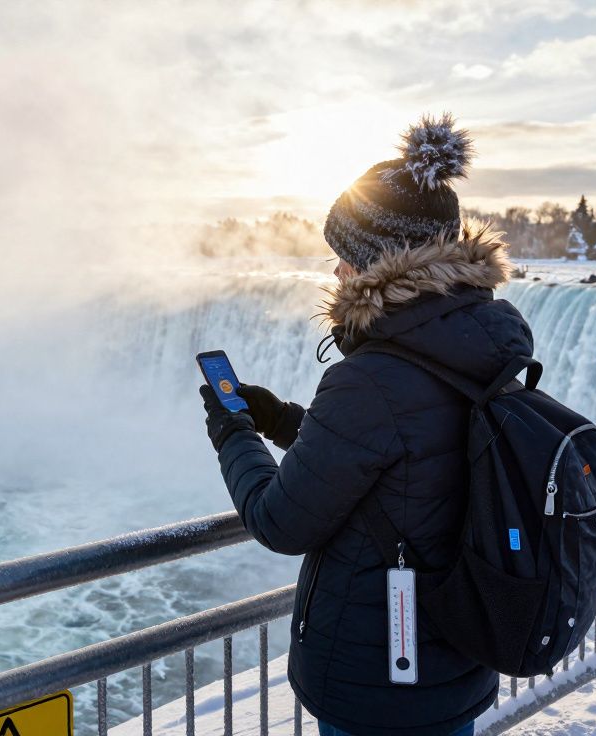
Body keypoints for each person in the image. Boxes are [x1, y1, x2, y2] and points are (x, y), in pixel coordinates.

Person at [198, 114, 533, 736]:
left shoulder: (372, 378)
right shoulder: (480, 348)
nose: (336, 275)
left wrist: (234, 433)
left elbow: (279, 519)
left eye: (345, 260)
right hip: (457, 661)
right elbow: (408, 465)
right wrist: (281, 420)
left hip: (378, 682)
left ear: (381, 265)